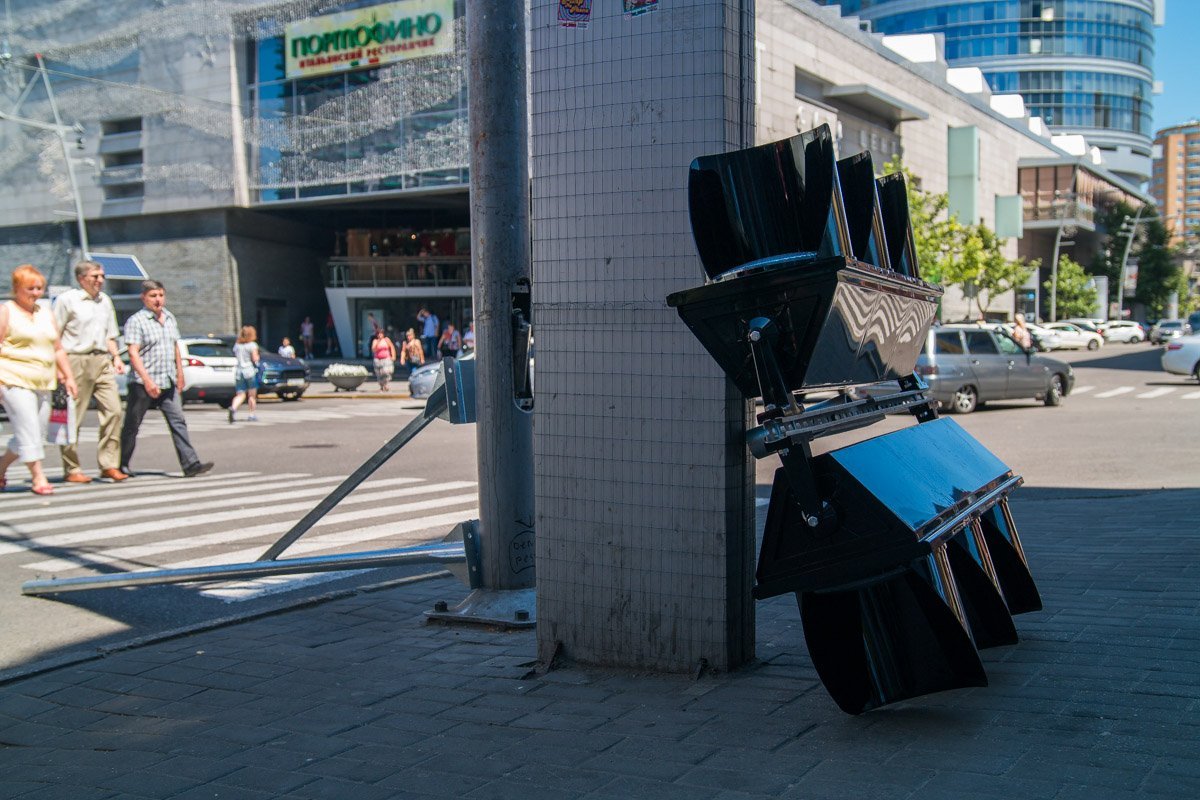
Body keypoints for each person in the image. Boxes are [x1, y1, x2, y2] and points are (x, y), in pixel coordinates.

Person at [119, 279, 213, 478]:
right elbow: (133, 353)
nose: (158, 300)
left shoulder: (169, 318)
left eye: (161, 295)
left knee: (178, 421)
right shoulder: (137, 321)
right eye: (153, 296)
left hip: (167, 379)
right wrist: (147, 380)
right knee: (132, 424)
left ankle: (190, 464)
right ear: (143, 298)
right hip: (143, 382)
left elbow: (174, 347)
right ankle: (122, 464)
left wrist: (180, 373)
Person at [0, 265, 79, 495]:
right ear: (17, 288)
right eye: (30, 289)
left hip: (44, 381)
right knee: (28, 429)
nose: (35, 293)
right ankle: (38, 477)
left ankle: (1, 467)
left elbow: (58, 348)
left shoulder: (45, 313)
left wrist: (68, 376)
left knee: (36, 433)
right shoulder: (6, 311)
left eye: (39, 288)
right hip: (13, 379)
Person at [53, 259, 128, 483]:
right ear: (81, 278)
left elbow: (110, 334)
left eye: (102, 276)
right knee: (73, 416)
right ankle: (72, 468)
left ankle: (109, 464)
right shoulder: (67, 300)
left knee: (114, 411)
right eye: (95, 276)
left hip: (102, 359)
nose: (100, 280)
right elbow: (55, 335)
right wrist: (60, 368)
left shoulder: (105, 301)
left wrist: (116, 357)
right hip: (75, 359)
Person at [229, 324, 261, 423]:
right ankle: (251, 415)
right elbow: (255, 358)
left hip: (239, 371)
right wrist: (258, 358)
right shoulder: (252, 345)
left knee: (240, 394)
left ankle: (233, 408)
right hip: (249, 370)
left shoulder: (237, 345)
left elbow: (235, 355)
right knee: (252, 395)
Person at [371, 327, 397, 392]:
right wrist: (378, 342)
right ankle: (381, 386)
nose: (379, 335)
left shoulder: (386, 340)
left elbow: (392, 347)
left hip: (386, 359)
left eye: (381, 333)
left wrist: (393, 356)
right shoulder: (375, 341)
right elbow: (373, 350)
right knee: (379, 374)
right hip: (378, 359)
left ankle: (386, 385)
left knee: (386, 372)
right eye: (378, 334)